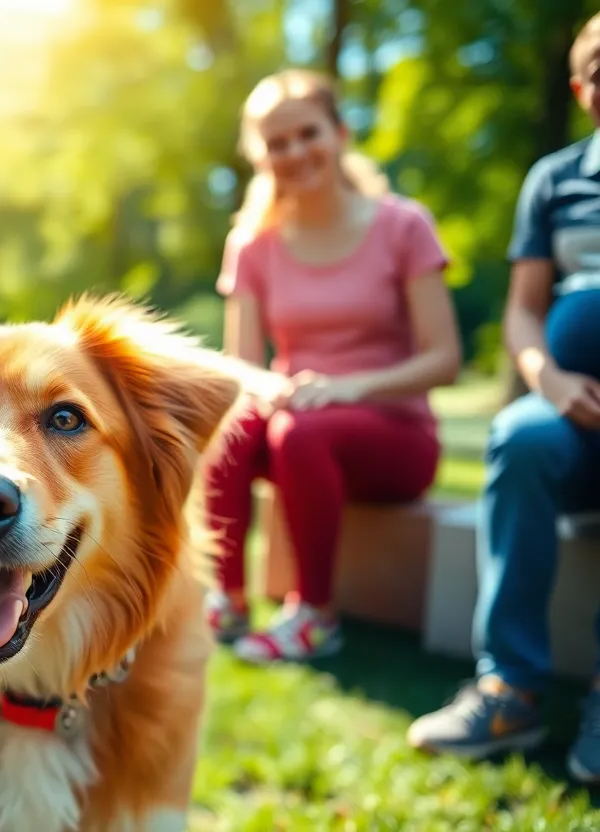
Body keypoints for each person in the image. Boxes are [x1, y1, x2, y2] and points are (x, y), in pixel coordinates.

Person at [202, 68, 462, 664]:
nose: (295, 152)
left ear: (341, 133)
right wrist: (272, 387)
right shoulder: (251, 243)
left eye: (307, 134)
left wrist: (345, 389)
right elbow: (241, 366)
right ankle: (228, 598)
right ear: (259, 156)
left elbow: (444, 359)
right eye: (277, 143)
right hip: (297, 426)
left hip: (395, 436)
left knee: (300, 432)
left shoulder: (404, 225)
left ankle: (315, 616)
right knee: (232, 422)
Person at [407, 12, 600, 782]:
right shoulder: (553, 179)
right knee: (518, 439)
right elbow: (525, 305)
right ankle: (509, 687)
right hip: (565, 412)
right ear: (583, 87)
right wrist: (547, 379)